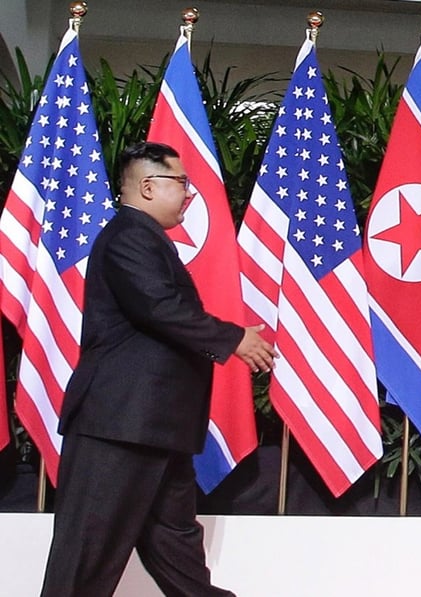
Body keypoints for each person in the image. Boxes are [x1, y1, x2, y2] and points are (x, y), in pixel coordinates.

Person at [40, 142, 277, 597]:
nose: (189, 193)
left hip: (155, 428)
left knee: (179, 556)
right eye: (181, 182)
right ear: (148, 187)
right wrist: (232, 338)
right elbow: (159, 307)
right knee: (85, 558)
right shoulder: (130, 235)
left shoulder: (145, 238)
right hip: (119, 428)